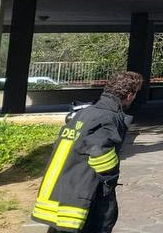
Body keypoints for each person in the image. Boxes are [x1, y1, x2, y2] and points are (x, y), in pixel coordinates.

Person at [32, 70, 144, 233]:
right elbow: (99, 151)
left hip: (65, 187)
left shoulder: (84, 113)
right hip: (86, 192)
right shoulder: (108, 117)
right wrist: (110, 179)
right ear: (129, 95)